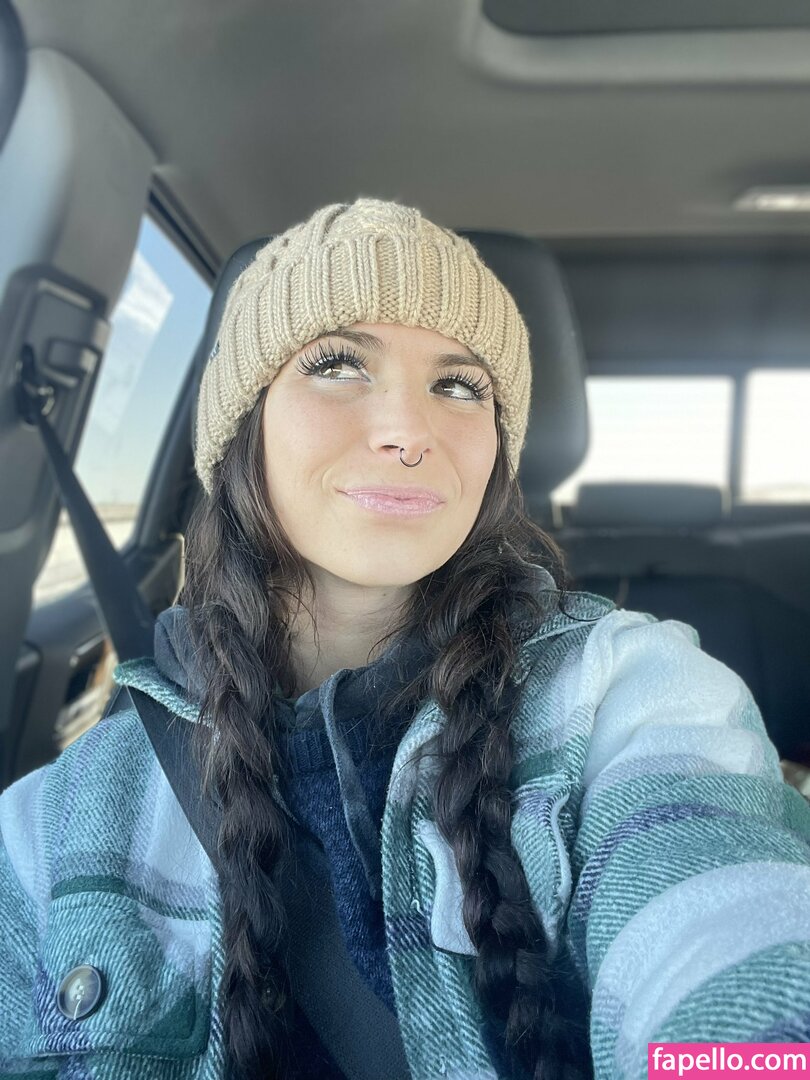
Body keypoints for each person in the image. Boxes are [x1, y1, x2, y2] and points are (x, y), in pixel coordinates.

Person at [2, 197, 810, 1080]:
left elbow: (724, 917)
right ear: (243, 426)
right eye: (338, 364)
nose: (408, 431)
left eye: (459, 386)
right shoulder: (59, 822)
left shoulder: (633, 693)